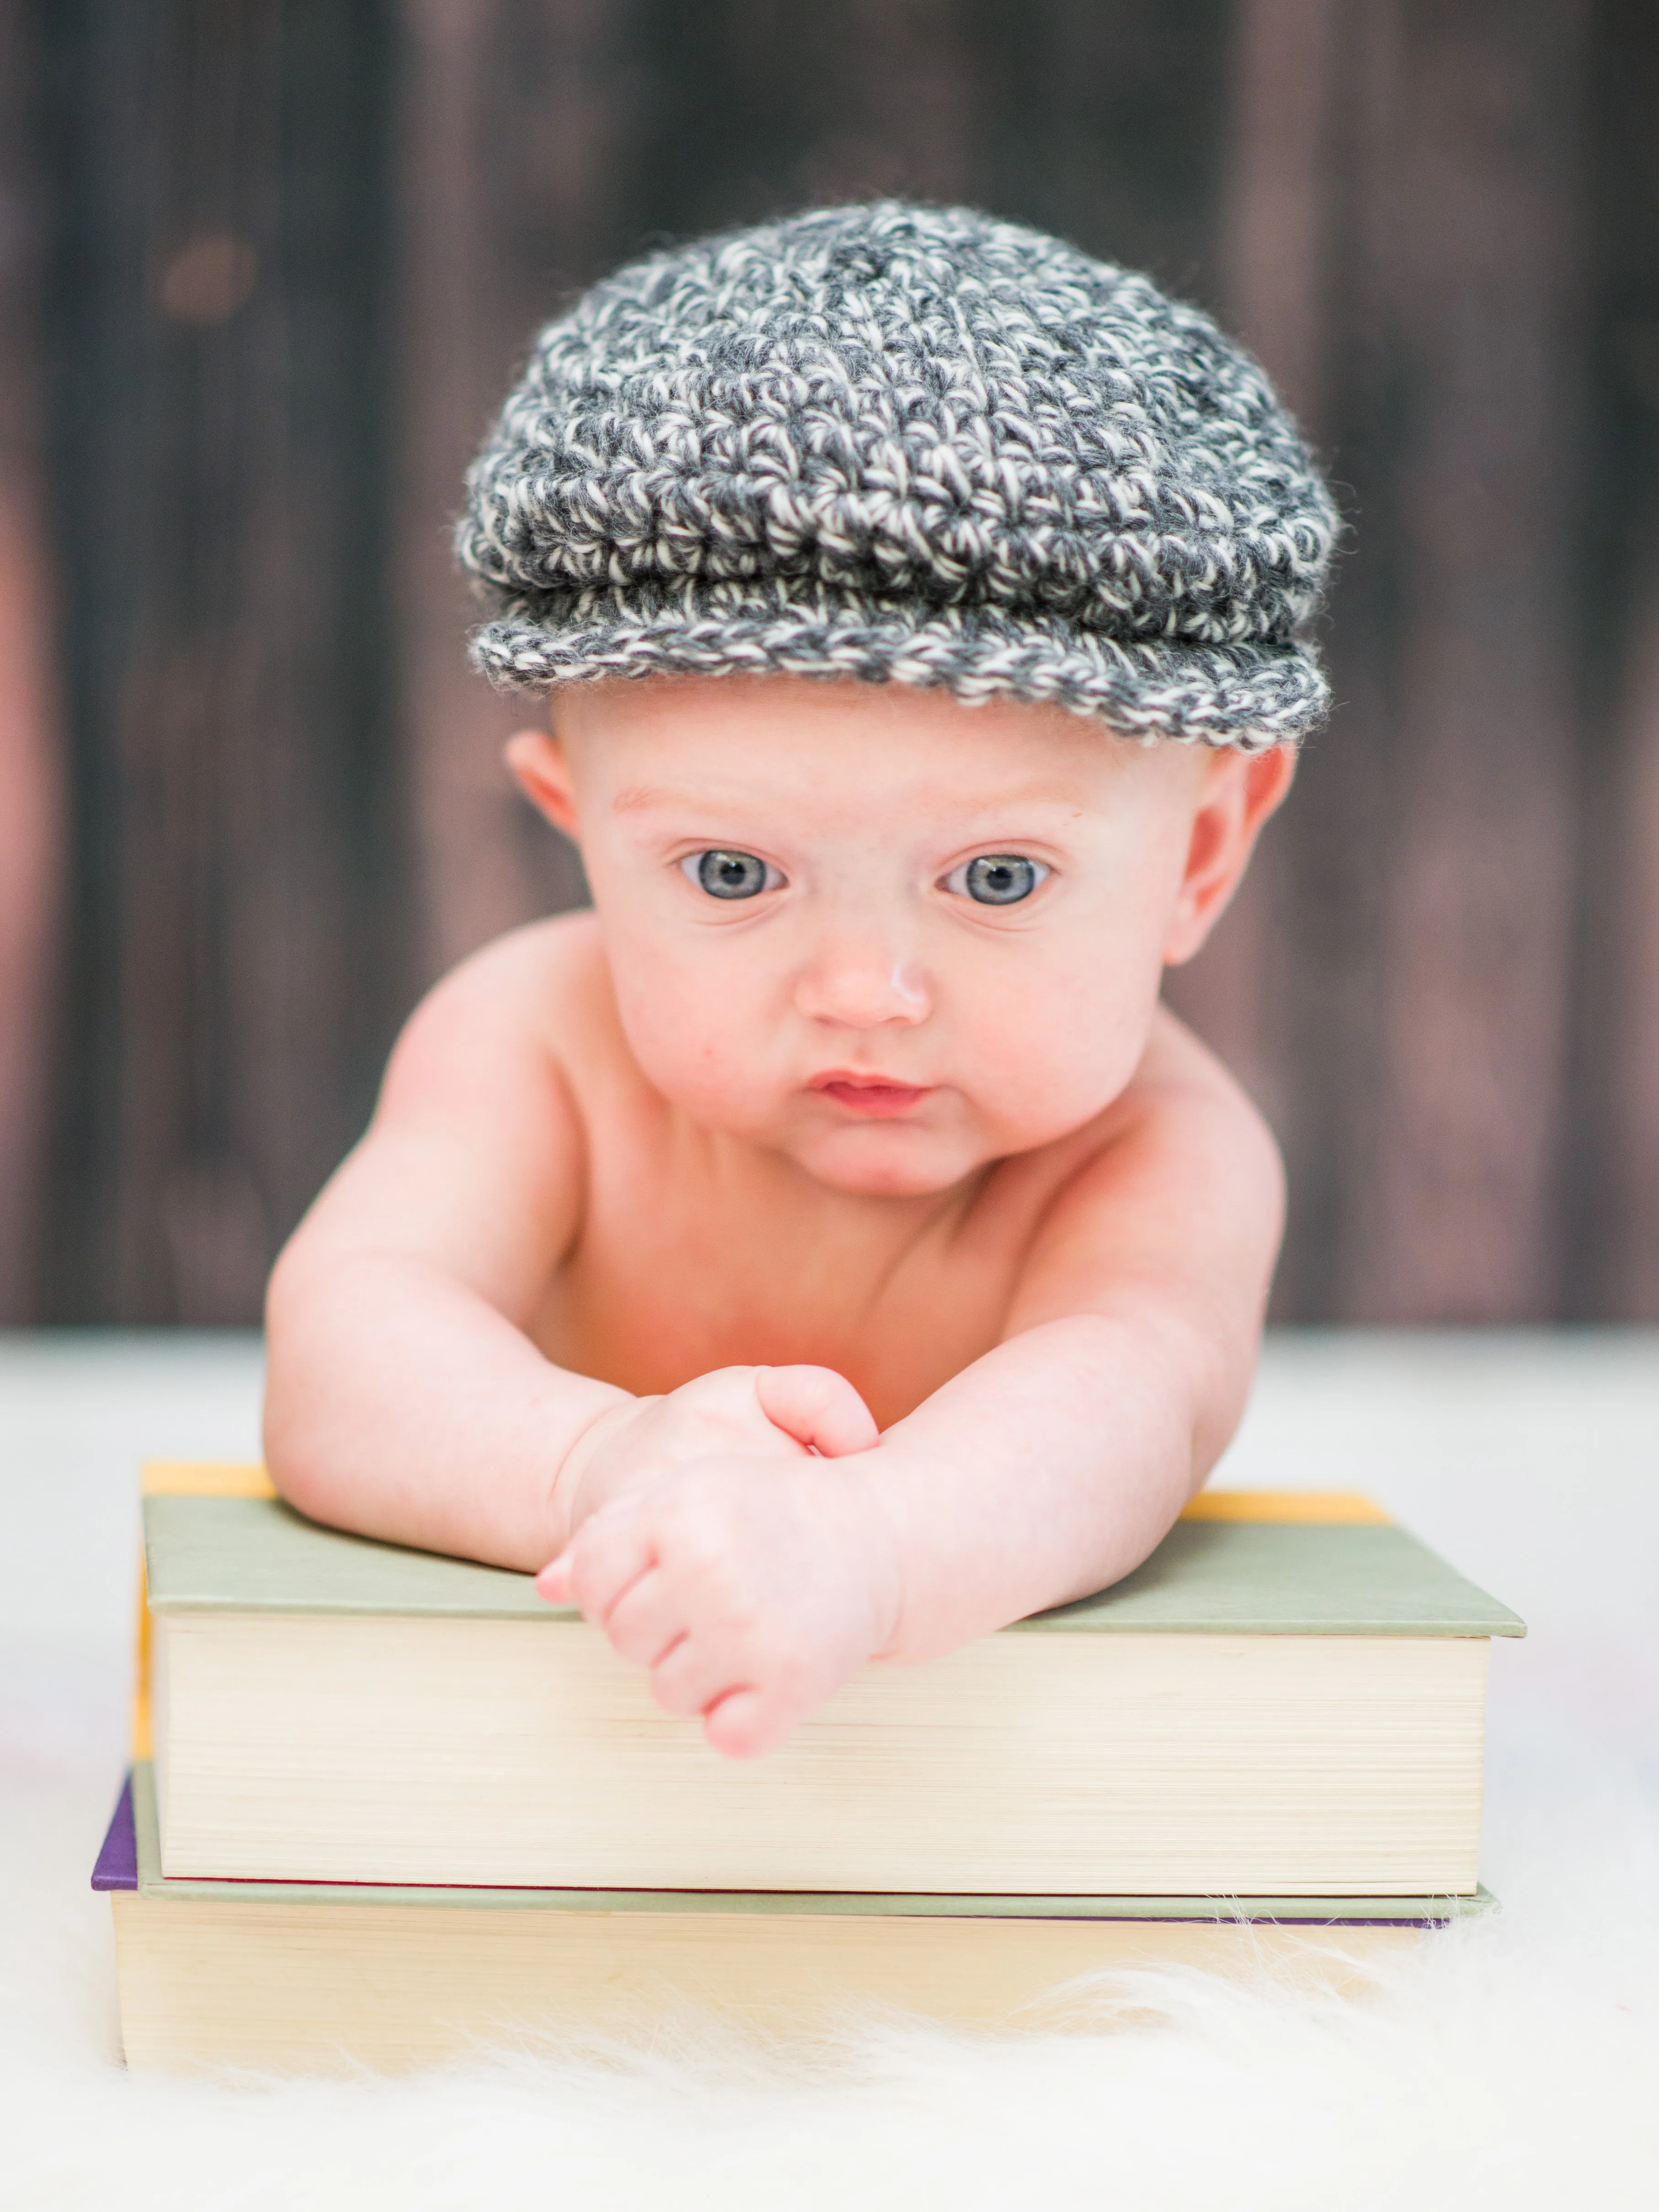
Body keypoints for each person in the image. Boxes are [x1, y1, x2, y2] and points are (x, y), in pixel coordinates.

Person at [263, 201, 1337, 1759]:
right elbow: (344, 1344)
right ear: (581, 837)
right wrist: (595, 1464)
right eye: (729, 875)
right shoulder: (532, 1047)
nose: (863, 990)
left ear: (1201, 852)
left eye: (996, 878)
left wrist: (872, 1551)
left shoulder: (1157, 1151)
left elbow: (1124, 1412)